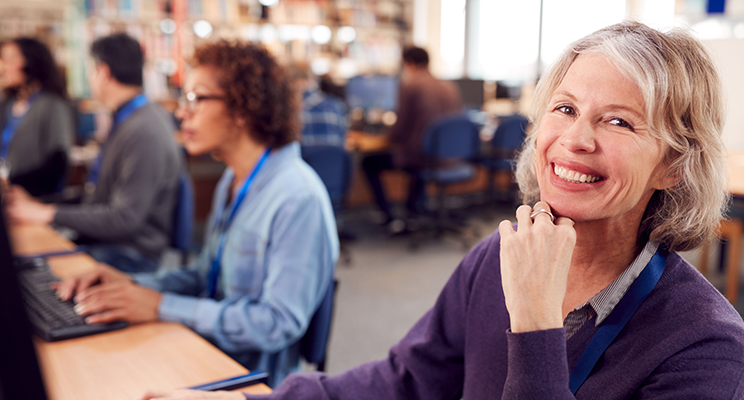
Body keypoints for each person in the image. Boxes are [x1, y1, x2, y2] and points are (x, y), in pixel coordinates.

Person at [138, 21, 744, 400]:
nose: (575, 140)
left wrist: (533, 322)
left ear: (675, 164)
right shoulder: (491, 261)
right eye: (564, 109)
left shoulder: (704, 348)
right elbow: (404, 382)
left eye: (617, 121)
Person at [56, 40, 338, 388]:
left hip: (251, 381)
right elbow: (206, 278)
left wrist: (160, 306)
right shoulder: (234, 179)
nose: (181, 112)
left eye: (196, 99)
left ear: (243, 109)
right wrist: (129, 286)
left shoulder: (297, 197)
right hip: (208, 350)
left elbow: (275, 324)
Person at [6, 33, 182, 273]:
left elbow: (124, 219)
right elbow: (99, 196)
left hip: (129, 255)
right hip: (106, 243)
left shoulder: (144, 130)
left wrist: (48, 213)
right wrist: (39, 204)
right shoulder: (127, 118)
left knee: (29, 275)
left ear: (103, 72)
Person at [362, 46, 462, 232]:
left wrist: (382, 136)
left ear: (409, 63)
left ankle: (389, 216)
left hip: (423, 158)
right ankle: (414, 209)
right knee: (420, 154)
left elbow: (400, 130)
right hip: (449, 158)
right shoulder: (448, 86)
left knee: (368, 163)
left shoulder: (410, 86)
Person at [0, 37, 73, 197]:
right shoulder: (7, 104)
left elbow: (57, 166)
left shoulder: (52, 106)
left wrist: (12, 182)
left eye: (10, 59)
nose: (3, 67)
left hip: (35, 200)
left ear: (31, 61)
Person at [290, 62, 347, 148]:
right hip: (332, 161)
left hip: (302, 161)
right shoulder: (336, 106)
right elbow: (343, 142)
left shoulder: (290, 112)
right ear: (313, 80)